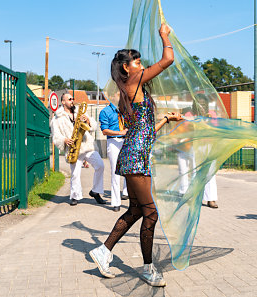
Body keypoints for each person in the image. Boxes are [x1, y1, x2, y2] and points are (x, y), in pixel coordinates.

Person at [89, 23, 182, 287]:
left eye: (141, 62)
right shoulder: (134, 80)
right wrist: (164, 36)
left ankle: (103, 251)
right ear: (127, 67)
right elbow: (168, 59)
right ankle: (148, 268)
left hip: (136, 151)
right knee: (150, 212)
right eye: (138, 62)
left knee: (137, 210)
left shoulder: (128, 89)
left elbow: (142, 128)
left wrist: (165, 118)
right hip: (136, 155)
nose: (142, 65)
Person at [50, 93, 105, 206]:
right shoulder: (57, 118)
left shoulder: (80, 112)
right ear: (63, 102)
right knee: (75, 173)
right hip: (73, 148)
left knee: (100, 165)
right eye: (69, 99)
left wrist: (88, 121)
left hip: (87, 145)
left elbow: (94, 125)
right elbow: (56, 135)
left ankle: (95, 191)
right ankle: (75, 196)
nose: (72, 101)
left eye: (72, 99)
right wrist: (64, 140)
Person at [99, 102, 129, 212]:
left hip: (127, 140)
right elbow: (104, 131)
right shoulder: (105, 111)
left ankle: (126, 193)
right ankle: (116, 202)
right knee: (115, 172)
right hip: (113, 141)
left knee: (129, 170)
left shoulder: (126, 108)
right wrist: (120, 132)